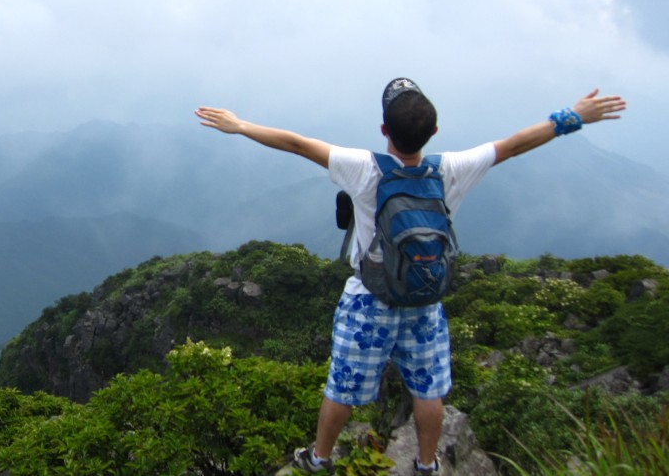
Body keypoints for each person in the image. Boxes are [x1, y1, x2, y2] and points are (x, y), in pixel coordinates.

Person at [194, 78, 626, 475]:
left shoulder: (364, 168)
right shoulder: (451, 168)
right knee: (428, 388)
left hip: (369, 300)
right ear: (434, 132)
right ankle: (426, 464)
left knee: (342, 386)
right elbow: (513, 145)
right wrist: (571, 118)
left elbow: (296, 144)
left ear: (384, 130)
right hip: (424, 300)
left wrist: (240, 125)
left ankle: (319, 459)